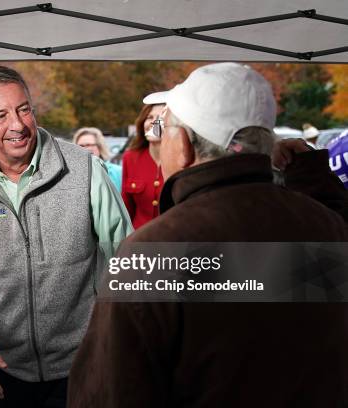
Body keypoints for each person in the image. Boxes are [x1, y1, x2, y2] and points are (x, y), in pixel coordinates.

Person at [67, 63, 348, 407]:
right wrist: (312, 179)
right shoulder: (326, 226)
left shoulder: (153, 255)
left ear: (183, 144)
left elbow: (107, 393)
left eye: (165, 127)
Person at [0, 65, 132, 408]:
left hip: (83, 365)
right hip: (8, 373)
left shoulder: (84, 169)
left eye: (24, 109)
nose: (18, 125)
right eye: (0, 115)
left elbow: (126, 260)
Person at [121, 92, 166, 228]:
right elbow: (126, 208)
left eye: (160, 118)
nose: (153, 122)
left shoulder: (184, 158)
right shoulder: (130, 158)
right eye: (149, 117)